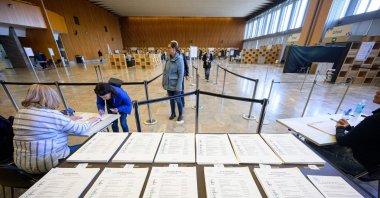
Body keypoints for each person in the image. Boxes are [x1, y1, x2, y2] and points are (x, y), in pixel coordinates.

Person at [13, 84, 100, 174]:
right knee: (91, 148)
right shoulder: (52, 114)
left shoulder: (20, 113)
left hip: (22, 164)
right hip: (47, 163)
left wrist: (66, 120)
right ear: (50, 97)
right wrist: (90, 121)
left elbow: (43, 125)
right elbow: (80, 129)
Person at [310, 89, 380, 176]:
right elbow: (368, 134)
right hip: (374, 166)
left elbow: (343, 141)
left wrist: (339, 128)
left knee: (311, 142)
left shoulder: (375, 119)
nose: (377, 91)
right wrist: (349, 127)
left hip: (361, 166)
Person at [162, 40, 184, 123]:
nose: (168, 49)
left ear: (174, 49)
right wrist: (164, 82)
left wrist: (178, 86)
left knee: (178, 100)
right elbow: (165, 72)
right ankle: (173, 113)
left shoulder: (179, 59)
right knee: (171, 100)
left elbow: (181, 74)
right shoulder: (168, 58)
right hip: (168, 84)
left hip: (176, 85)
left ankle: (181, 114)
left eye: (169, 48)